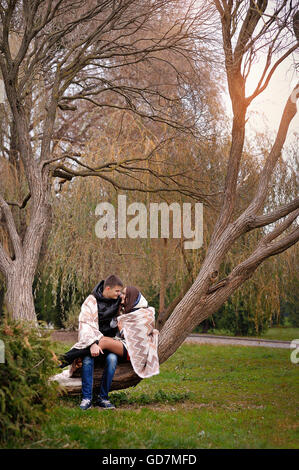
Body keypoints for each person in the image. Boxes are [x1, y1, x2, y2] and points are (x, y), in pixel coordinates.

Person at [72, 274, 124, 410]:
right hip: (93, 342)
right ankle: (86, 398)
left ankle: (103, 397)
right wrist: (92, 343)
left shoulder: (119, 302)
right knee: (88, 360)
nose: (119, 294)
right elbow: (85, 324)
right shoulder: (91, 302)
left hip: (111, 344)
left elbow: (135, 312)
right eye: (117, 291)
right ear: (107, 288)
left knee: (112, 359)